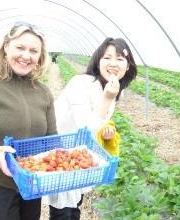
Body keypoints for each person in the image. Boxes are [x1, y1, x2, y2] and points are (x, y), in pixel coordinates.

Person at [0, 21, 57, 220]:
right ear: (6, 47)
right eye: (20, 47)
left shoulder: (43, 92)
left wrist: (65, 161)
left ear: (40, 56)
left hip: (32, 181)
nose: (26, 56)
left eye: (33, 50)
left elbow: (51, 138)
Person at [45, 37, 137, 220]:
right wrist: (107, 98)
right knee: (62, 210)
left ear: (128, 66)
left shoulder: (110, 87)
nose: (113, 63)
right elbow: (85, 127)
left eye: (119, 59)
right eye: (107, 57)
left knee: (75, 205)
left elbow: (97, 122)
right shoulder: (82, 83)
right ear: (98, 61)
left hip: (77, 154)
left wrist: (107, 130)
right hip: (59, 153)